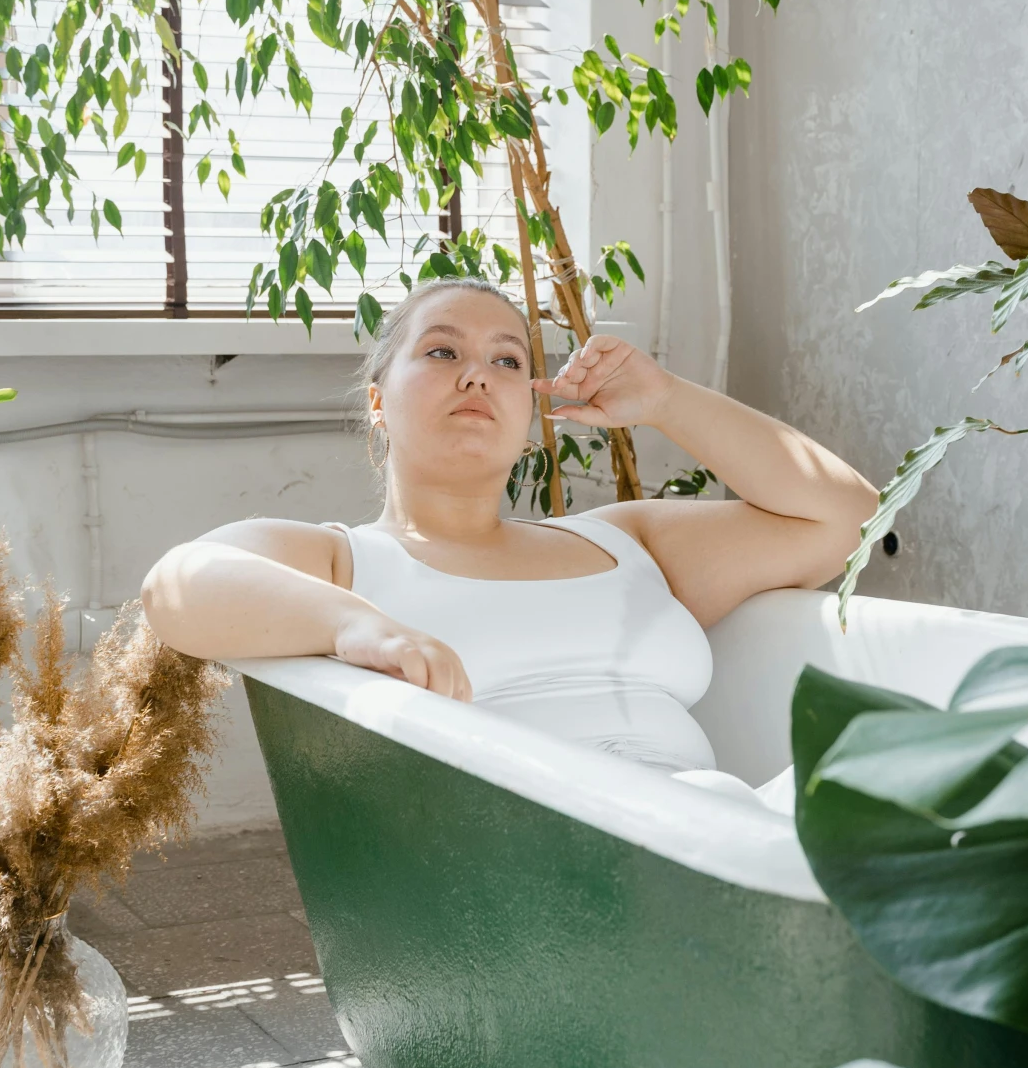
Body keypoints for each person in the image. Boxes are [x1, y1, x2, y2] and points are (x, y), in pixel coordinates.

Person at [142, 277, 877, 786]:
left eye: (506, 360)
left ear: (529, 414)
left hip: (714, 831)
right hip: (532, 871)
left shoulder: (626, 541)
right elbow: (177, 587)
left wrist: (665, 400)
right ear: (376, 400)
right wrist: (357, 628)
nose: (476, 376)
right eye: (441, 352)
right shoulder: (344, 560)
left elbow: (844, 520)